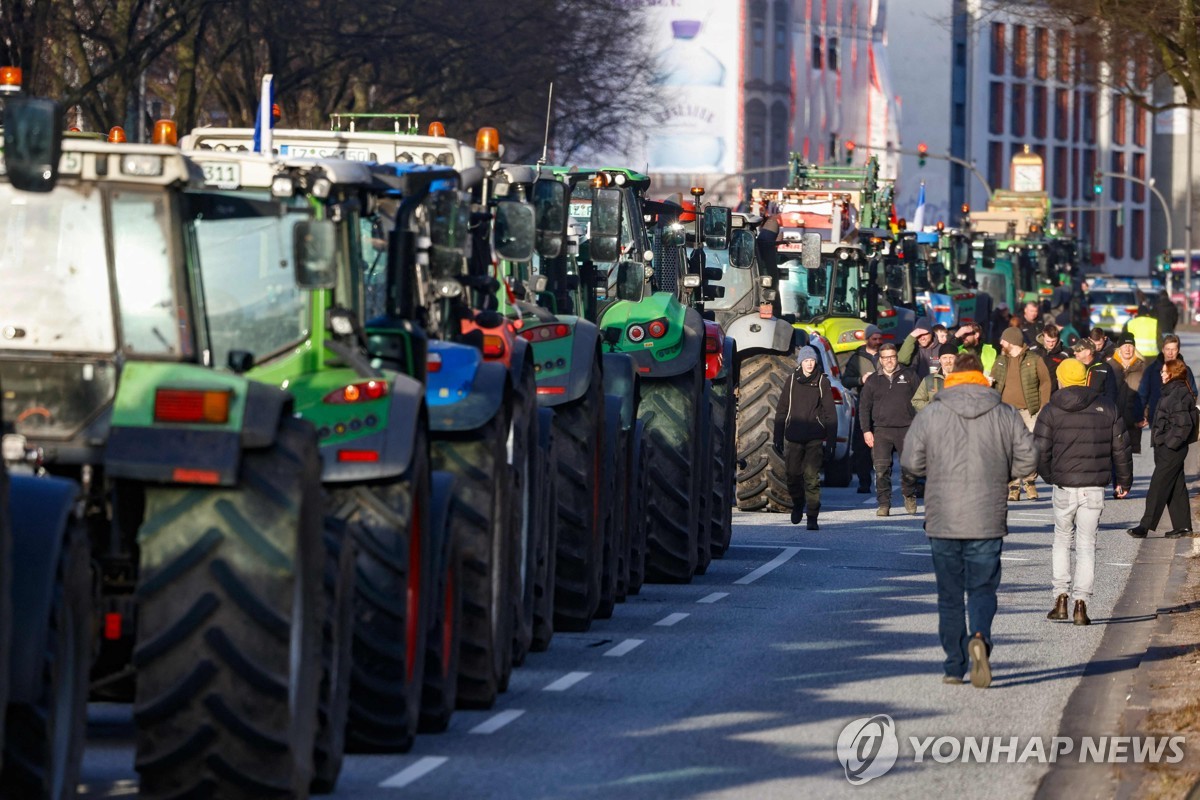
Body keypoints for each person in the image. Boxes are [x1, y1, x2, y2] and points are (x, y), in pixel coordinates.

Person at [902, 353, 1039, 688]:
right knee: (981, 588)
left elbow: (910, 462)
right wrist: (1001, 473)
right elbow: (1028, 459)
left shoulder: (933, 411)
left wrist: (931, 472)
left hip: (943, 516)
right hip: (987, 515)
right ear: (981, 376)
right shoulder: (1004, 412)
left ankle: (953, 665)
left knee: (949, 595)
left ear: (952, 377)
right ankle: (979, 636)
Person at [1034, 359, 1133, 627]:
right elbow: (1121, 448)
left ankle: (1060, 599)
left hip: (1064, 485)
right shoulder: (1106, 407)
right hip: (1094, 488)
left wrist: (1050, 476)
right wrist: (1124, 480)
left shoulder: (1051, 410)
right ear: (1087, 379)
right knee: (1087, 545)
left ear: (1061, 379)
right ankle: (1081, 604)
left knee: (1062, 541)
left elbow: (1040, 451)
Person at [1129, 359, 1199, 539]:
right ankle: (1183, 526)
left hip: (1171, 448)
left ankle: (1144, 526)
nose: (1161, 374)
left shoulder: (1179, 393)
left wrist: (1168, 443)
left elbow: (1183, 425)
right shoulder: (1171, 391)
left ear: (1172, 373)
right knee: (1176, 486)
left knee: (1158, 485)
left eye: (1164, 371)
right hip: (1166, 446)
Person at [774, 345, 837, 530]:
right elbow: (781, 410)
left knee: (812, 477)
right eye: (806, 361)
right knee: (792, 475)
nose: (810, 364)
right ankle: (798, 503)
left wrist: (831, 441)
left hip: (814, 437)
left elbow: (830, 413)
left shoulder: (822, 382)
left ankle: (812, 515)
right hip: (794, 436)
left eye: (812, 361)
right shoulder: (792, 380)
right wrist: (778, 436)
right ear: (800, 362)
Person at [859, 342, 920, 516]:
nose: (889, 361)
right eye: (885, 358)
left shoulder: (910, 375)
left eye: (892, 357)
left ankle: (909, 495)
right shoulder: (872, 380)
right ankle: (884, 504)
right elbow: (864, 407)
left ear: (896, 357)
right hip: (881, 430)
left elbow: (920, 401)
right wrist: (866, 430)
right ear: (880, 359)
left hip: (907, 429)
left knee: (909, 467)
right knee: (881, 469)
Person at [991, 327, 1052, 501]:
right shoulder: (1000, 360)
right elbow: (993, 382)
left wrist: (1043, 407)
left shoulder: (1034, 360)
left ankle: (1030, 483)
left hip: (1029, 411)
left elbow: (1045, 382)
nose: (1001, 343)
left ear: (1012, 342)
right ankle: (1013, 486)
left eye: (1003, 340)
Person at [843, 324, 884, 494]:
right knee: (862, 447)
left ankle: (882, 482)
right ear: (867, 339)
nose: (877, 342)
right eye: (874, 338)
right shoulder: (857, 358)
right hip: (865, 403)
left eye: (879, 338)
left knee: (882, 445)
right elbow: (846, 380)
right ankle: (864, 482)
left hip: (883, 404)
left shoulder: (886, 355)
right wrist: (861, 379)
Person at [1138, 334, 1197, 431]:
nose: (1170, 353)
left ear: (1178, 350)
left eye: (1173, 349)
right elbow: (1143, 394)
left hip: (1180, 421)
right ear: (1162, 350)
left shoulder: (1185, 370)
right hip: (1157, 419)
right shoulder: (1152, 370)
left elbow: (1193, 393)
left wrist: (1184, 411)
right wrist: (1141, 415)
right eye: (1167, 349)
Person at [1111, 332, 1146, 454]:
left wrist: (1145, 415)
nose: (1127, 348)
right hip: (1113, 420)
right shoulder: (1110, 366)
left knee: (1128, 460)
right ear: (1119, 347)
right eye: (1124, 345)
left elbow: (1147, 394)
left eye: (1130, 346)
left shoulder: (1142, 367)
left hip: (1133, 420)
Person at [912, 343, 957, 412]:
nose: (948, 361)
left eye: (951, 357)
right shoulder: (929, 380)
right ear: (939, 360)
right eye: (944, 358)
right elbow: (916, 401)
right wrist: (933, 407)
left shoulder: (965, 379)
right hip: (935, 421)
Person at [1072, 338, 1120, 404]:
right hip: (1076, 407)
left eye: (1078, 350)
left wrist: (1106, 409)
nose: (1074, 352)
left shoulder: (1104, 368)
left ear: (1088, 352)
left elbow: (1111, 392)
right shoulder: (1072, 365)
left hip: (1097, 409)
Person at [1031, 323, 1071, 393]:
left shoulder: (1064, 354)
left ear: (1058, 339)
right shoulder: (1033, 349)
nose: (1051, 344)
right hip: (1034, 391)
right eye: (1048, 341)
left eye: (1053, 341)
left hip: (1053, 393)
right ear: (1043, 337)